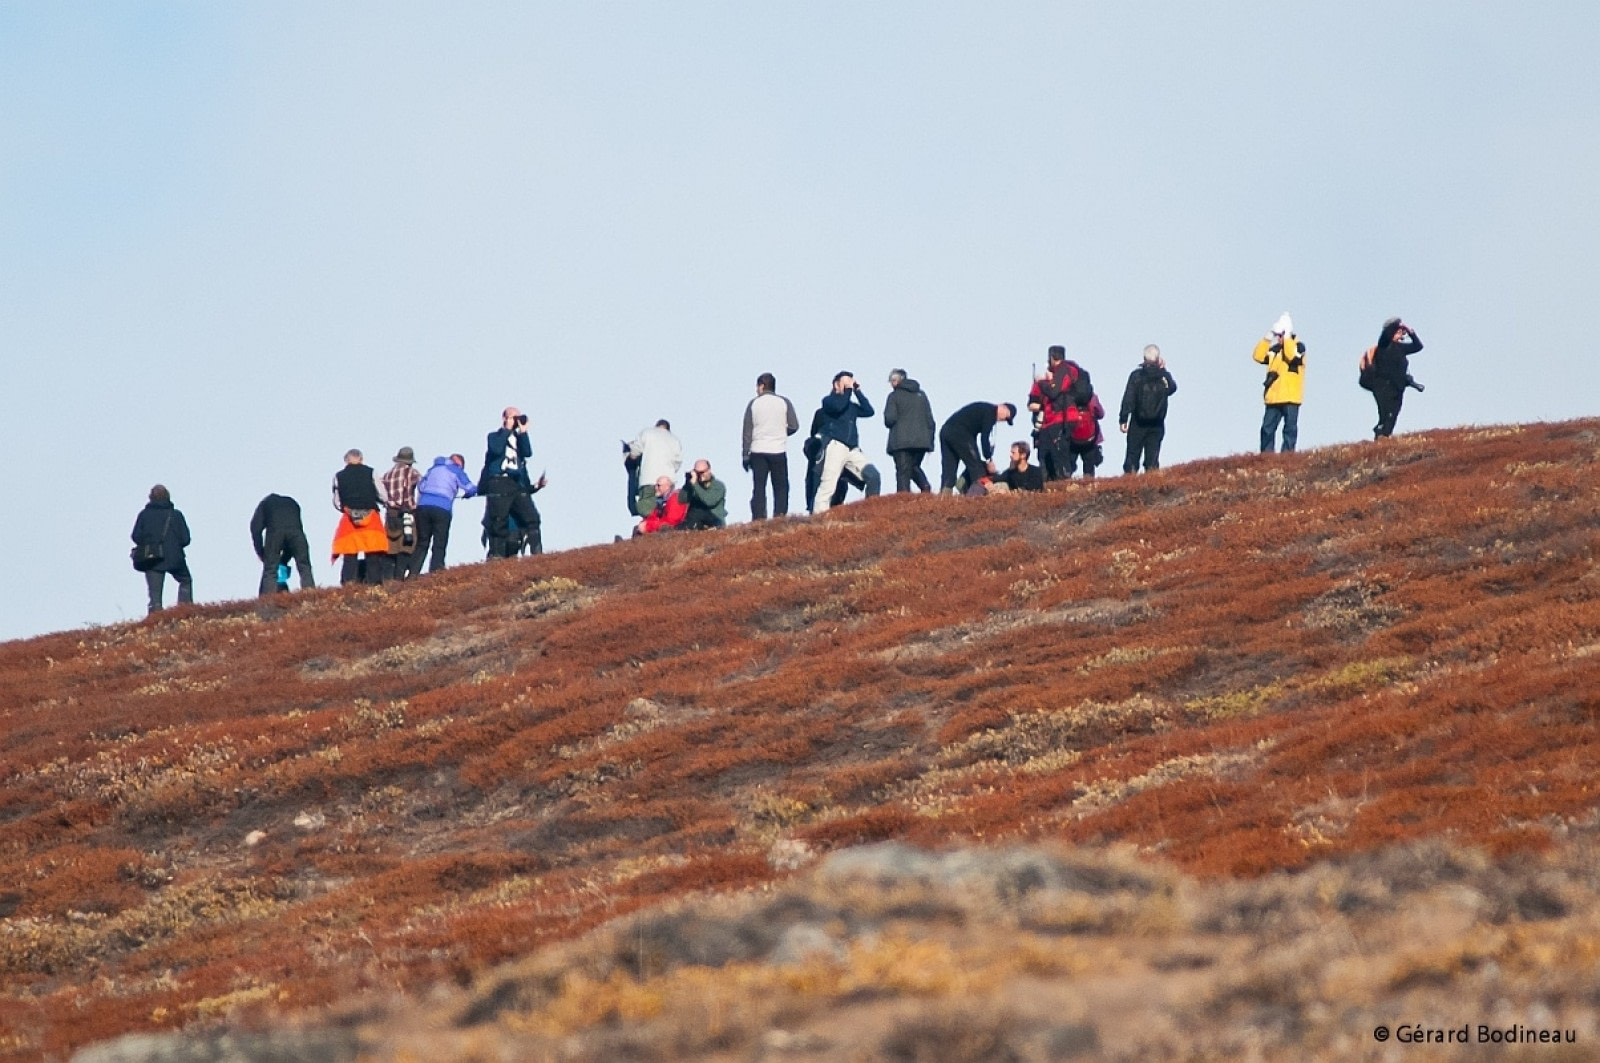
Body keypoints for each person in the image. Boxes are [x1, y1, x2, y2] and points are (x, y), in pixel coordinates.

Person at [479, 407, 546, 558]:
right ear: (504, 418)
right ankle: (497, 555)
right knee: (499, 519)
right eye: (513, 417)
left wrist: (523, 432)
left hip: (515, 483)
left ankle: (538, 553)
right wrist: (507, 430)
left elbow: (528, 452)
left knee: (532, 517)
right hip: (499, 480)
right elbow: (495, 450)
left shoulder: (518, 438)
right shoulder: (494, 436)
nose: (516, 420)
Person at [812, 372, 875, 514]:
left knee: (873, 475)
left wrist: (858, 391)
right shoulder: (828, 401)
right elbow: (839, 406)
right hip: (836, 446)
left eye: (850, 383)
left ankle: (871, 511)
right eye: (845, 383)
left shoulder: (851, 405)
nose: (849, 386)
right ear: (836, 384)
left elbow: (869, 411)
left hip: (852, 449)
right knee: (828, 485)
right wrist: (847, 391)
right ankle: (818, 517)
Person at [742, 373, 800, 519]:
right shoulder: (784, 402)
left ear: (762, 385)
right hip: (778, 450)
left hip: (758, 450)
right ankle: (780, 516)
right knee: (781, 487)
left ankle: (759, 517)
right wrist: (781, 432)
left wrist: (745, 454)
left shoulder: (753, 404)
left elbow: (747, 431)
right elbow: (794, 425)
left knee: (759, 487)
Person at [131, 484, 192, 615]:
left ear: (150, 498)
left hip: (152, 559)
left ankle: (155, 619)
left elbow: (135, 536)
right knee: (185, 580)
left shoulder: (144, 515)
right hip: (175, 558)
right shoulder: (176, 515)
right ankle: (185, 611)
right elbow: (185, 539)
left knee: (155, 595)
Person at [412, 454, 477, 574]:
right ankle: (435, 572)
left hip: (423, 507)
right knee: (439, 542)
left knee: (422, 542)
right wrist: (469, 494)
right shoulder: (456, 470)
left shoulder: (433, 469)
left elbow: (421, 486)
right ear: (459, 464)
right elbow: (470, 487)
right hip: (442, 508)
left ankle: (412, 573)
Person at [331, 449, 389, 584]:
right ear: (361, 459)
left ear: (346, 461)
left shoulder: (338, 476)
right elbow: (383, 495)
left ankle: (348, 583)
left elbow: (337, 501)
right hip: (371, 517)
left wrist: (345, 509)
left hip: (349, 519)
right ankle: (374, 583)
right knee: (373, 552)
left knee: (349, 552)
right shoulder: (371, 472)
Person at [1362, 317, 1425, 439]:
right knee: (1386, 413)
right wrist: (1396, 323)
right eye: (1398, 332)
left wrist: (1410, 332)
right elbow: (1385, 334)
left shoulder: (1401, 348)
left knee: (1393, 414)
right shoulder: (1383, 346)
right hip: (1382, 386)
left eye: (1401, 333)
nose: (1400, 334)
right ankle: (1381, 436)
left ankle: (1384, 436)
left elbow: (1418, 346)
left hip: (1398, 387)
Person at [1118, 345, 1178, 474]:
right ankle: (1151, 485)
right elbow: (1172, 388)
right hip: (1157, 423)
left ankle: (1130, 484)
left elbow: (1128, 398)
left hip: (1138, 422)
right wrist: (1164, 370)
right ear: (1158, 359)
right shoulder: (1163, 377)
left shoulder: (1136, 376)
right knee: (1152, 459)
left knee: (1132, 456)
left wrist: (1123, 419)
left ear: (1144, 358)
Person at [1253, 313, 1307, 452]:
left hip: (1290, 397)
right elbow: (1258, 356)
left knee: (1289, 430)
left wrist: (1287, 335)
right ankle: (1267, 456)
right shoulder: (1274, 350)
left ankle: (1287, 457)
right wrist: (1268, 337)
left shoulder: (1298, 347)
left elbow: (1290, 356)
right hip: (1274, 397)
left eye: (1280, 334)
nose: (1279, 338)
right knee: (1267, 429)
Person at [939, 401, 1016, 494]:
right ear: (1002, 407)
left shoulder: (982, 409)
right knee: (977, 468)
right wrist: (988, 460)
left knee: (949, 468)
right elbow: (984, 438)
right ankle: (975, 497)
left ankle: (944, 497)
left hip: (946, 431)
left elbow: (973, 438)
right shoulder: (990, 412)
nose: (1003, 420)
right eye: (1006, 416)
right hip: (961, 433)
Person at [250, 493, 314, 595]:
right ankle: (311, 597)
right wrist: (283, 560)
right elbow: (291, 538)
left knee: (270, 570)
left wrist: (262, 553)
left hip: (275, 533)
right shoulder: (292, 502)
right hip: (297, 534)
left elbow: (255, 528)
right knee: (304, 566)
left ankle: (267, 603)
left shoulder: (265, 504)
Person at [883, 369, 935, 493]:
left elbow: (889, 419)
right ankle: (925, 486)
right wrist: (930, 442)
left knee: (903, 472)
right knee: (913, 467)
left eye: (893, 380)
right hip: (922, 441)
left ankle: (903, 500)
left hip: (901, 442)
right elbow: (930, 420)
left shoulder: (894, 396)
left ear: (899, 380)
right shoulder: (922, 395)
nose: (891, 384)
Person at [624, 420, 682, 518]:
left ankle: (649, 528)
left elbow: (635, 452)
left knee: (646, 509)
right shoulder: (675, 440)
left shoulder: (647, 433)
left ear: (656, 426)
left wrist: (630, 459)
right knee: (666, 510)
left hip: (648, 479)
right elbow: (677, 463)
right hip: (667, 482)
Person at [381, 446, 421, 581]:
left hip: (390, 514)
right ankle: (400, 577)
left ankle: (388, 579)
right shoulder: (412, 473)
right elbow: (423, 484)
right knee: (407, 545)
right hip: (407, 514)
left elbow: (380, 494)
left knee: (391, 546)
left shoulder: (386, 475)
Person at [680, 459, 728, 530]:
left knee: (697, 511)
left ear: (709, 470)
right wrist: (687, 484)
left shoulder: (718, 486)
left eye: (702, 472)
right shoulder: (694, 485)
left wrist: (695, 485)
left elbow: (709, 501)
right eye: (697, 473)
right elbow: (682, 499)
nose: (700, 475)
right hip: (696, 520)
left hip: (715, 520)